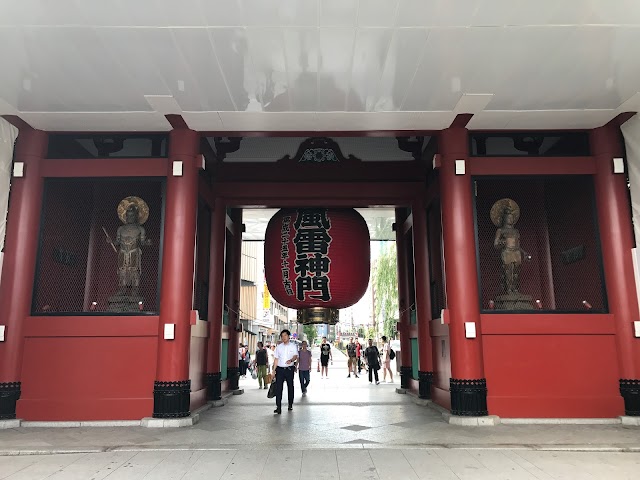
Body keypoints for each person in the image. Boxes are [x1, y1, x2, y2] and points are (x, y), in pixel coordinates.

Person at [272, 329, 298, 414]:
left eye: (285, 336)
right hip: (280, 370)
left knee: (290, 387)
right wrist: (273, 371)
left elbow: (295, 356)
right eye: (282, 336)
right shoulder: (279, 347)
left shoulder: (293, 346)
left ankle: (290, 404)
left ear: (289, 336)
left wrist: (291, 360)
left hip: (289, 370)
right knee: (278, 388)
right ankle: (278, 407)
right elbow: (276, 359)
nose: (283, 337)